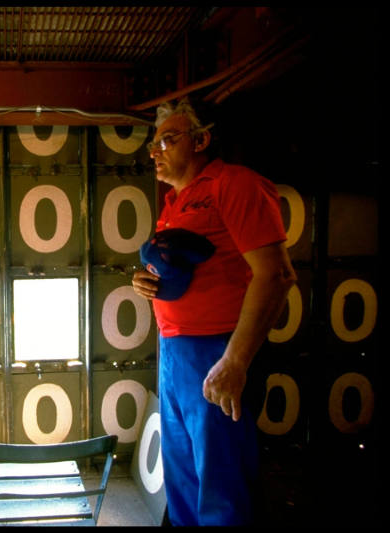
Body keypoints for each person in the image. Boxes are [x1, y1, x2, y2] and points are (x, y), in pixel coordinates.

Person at [132, 97, 297, 526]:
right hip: (174, 352)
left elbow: (276, 275)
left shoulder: (236, 185)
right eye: (154, 143)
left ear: (202, 139)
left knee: (221, 480)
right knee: (183, 475)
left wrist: (236, 360)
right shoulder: (174, 203)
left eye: (167, 140)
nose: (155, 151)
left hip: (217, 349)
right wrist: (148, 282)